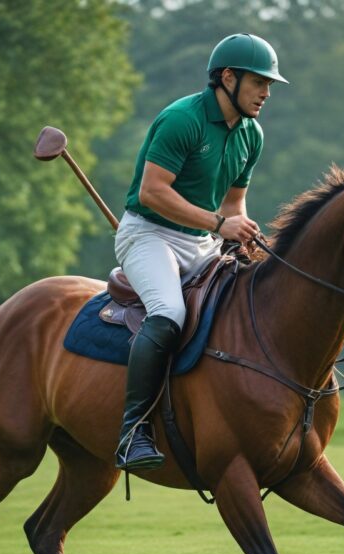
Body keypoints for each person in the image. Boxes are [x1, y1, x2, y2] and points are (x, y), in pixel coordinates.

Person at [114, 33, 289, 471]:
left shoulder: (252, 134)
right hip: (147, 234)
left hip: (201, 242)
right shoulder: (182, 119)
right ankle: (133, 431)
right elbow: (153, 193)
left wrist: (241, 237)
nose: (266, 93)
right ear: (227, 78)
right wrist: (218, 224)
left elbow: (233, 206)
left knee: (244, 303)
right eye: (258, 82)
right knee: (169, 312)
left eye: (269, 84)